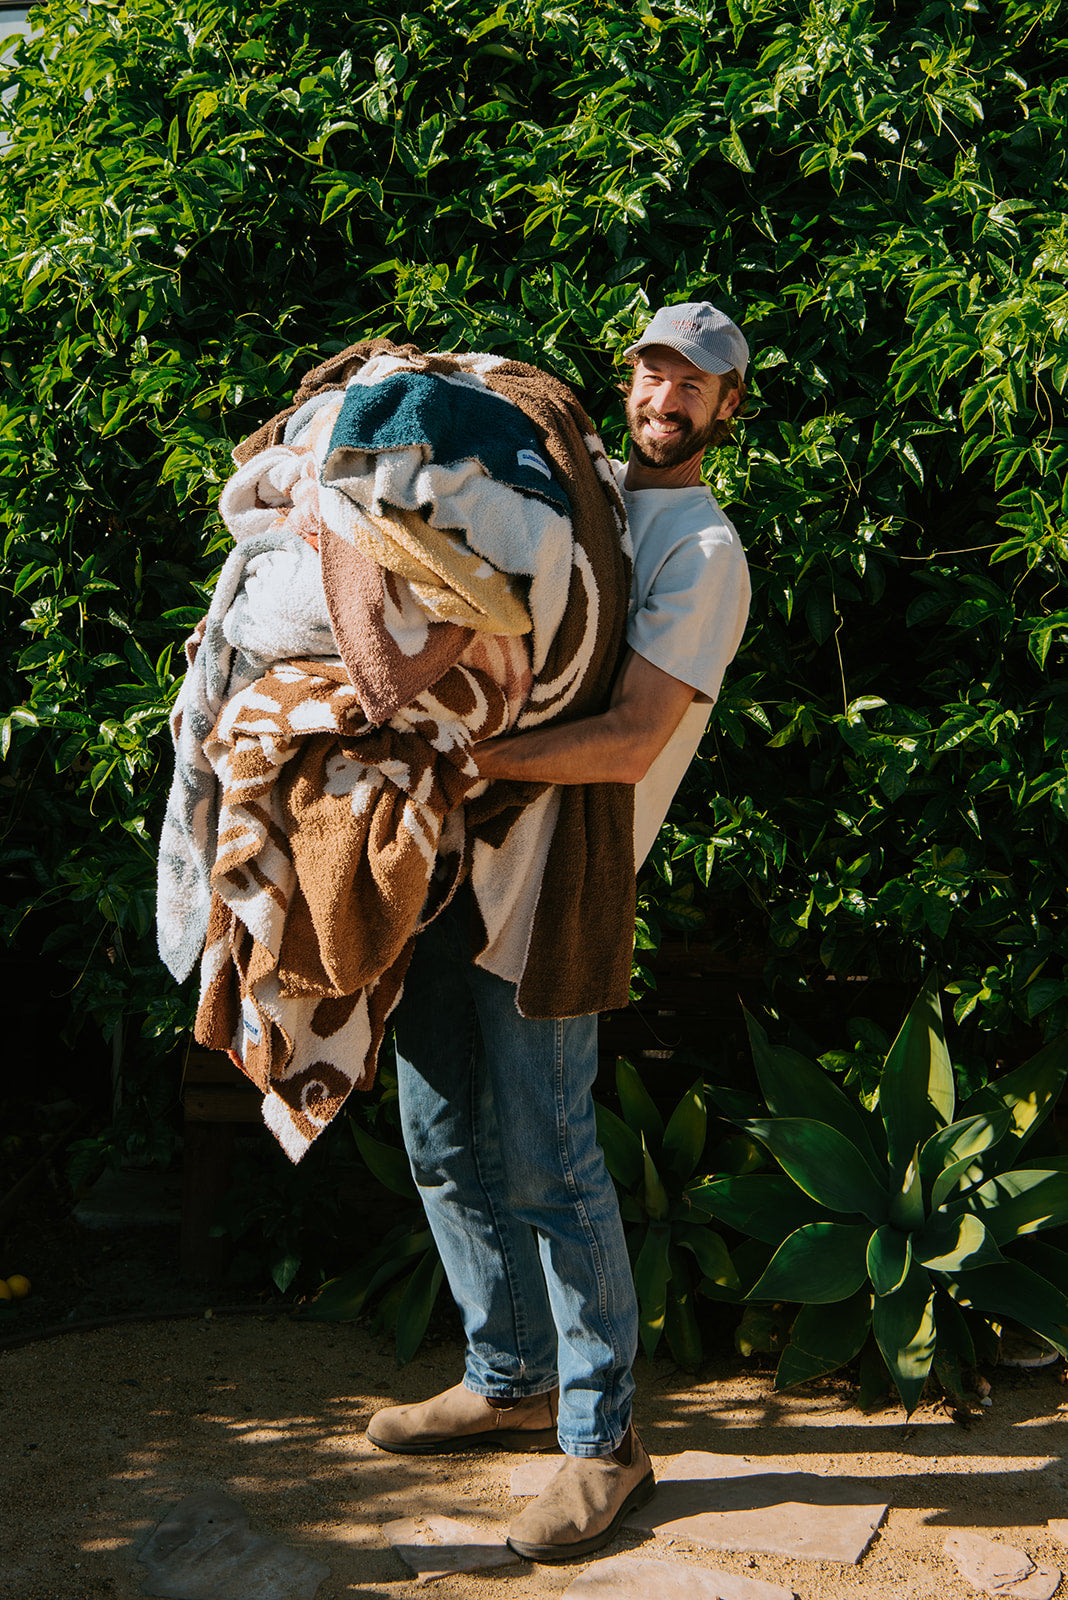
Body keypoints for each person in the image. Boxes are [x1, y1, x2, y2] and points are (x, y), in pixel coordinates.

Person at [366, 302, 752, 1563]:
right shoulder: (572, 492)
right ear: (625, 379)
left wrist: (473, 758)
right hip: (453, 864)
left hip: (558, 883)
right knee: (435, 1127)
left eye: (692, 382)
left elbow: (633, 736)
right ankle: (509, 1368)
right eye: (650, 367)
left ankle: (603, 1445)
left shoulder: (701, 549)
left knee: (550, 1157)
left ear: (724, 409)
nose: (665, 392)